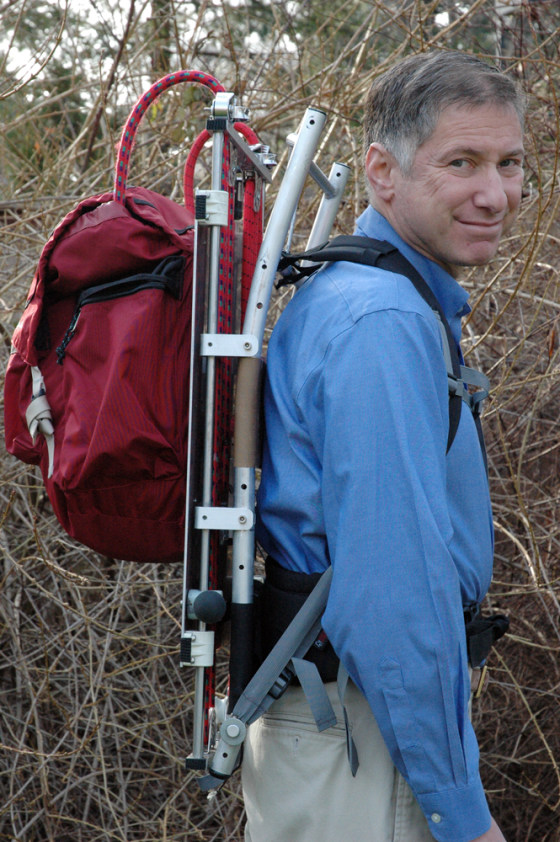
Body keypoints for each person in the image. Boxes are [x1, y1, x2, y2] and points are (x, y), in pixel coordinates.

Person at [242, 50, 525, 842]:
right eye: (461, 162)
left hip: (341, 727)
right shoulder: (385, 321)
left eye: (510, 164)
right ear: (381, 171)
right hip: (360, 749)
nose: (494, 193)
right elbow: (393, 594)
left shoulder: (365, 294)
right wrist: (460, 811)